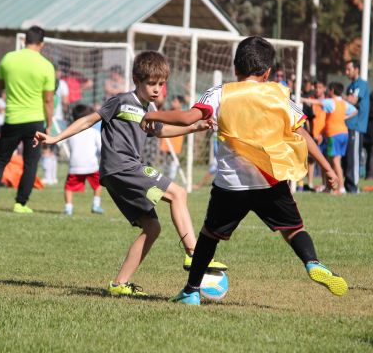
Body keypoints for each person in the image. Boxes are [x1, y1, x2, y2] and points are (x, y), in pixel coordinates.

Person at [141, 36, 346, 305]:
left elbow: (190, 117)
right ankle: (312, 262)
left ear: (235, 67)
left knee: (208, 236)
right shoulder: (278, 93)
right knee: (294, 229)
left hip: (231, 185)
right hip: (269, 180)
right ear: (268, 72)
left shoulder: (221, 92)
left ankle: (191, 292)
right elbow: (301, 131)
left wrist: (152, 114)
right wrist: (326, 166)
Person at [34, 51, 227, 296]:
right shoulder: (122, 101)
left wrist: (194, 127)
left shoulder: (151, 109)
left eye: (161, 84)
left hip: (120, 173)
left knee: (152, 228)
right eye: (151, 83)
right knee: (178, 193)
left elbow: (160, 131)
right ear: (137, 80)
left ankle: (119, 285)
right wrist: (54, 137)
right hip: (122, 167)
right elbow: (87, 121)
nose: (157, 89)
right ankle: (195, 254)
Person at [0, 26, 55, 214]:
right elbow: (48, 99)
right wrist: (49, 124)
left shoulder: (9, 59)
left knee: (0, 159)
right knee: (31, 163)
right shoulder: (46, 65)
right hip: (35, 120)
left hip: (12, 118)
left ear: (24, 41)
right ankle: (20, 203)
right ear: (42, 44)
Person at [302, 82, 358, 194]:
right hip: (344, 133)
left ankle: (341, 187)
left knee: (335, 161)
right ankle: (330, 187)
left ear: (332, 90)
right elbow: (355, 111)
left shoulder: (330, 102)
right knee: (334, 160)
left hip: (334, 134)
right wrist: (344, 117)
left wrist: (301, 98)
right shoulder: (343, 103)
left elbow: (316, 102)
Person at [63, 104, 104, 215]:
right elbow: (101, 148)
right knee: (98, 185)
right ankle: (96, 205)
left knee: (68, 188)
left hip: (75, 166)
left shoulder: (70, 132)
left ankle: (68, 208)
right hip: (92, 165)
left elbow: (63, 142)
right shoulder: (94, 132)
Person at [343, 60, 370, 193]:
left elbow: (353, 100)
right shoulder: (350, 86)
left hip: (356, 126)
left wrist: (339, 97)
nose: (346, 72)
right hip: (347, 125)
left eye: (349, 69)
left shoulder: (362, 84)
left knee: (354, 158)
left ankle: (353, 186)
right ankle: (347, 184)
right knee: (347, 158)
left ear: (356, 69)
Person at [159, 95, 186, 180]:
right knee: (165, 164)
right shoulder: (169, 112)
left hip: (175, 144)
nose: (172, 103)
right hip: (166, 143)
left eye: (175, 101)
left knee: (173, 164)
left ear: (181, 104)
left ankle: (171, 180)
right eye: (173, 101)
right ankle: (165, 180)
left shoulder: (182, 114)